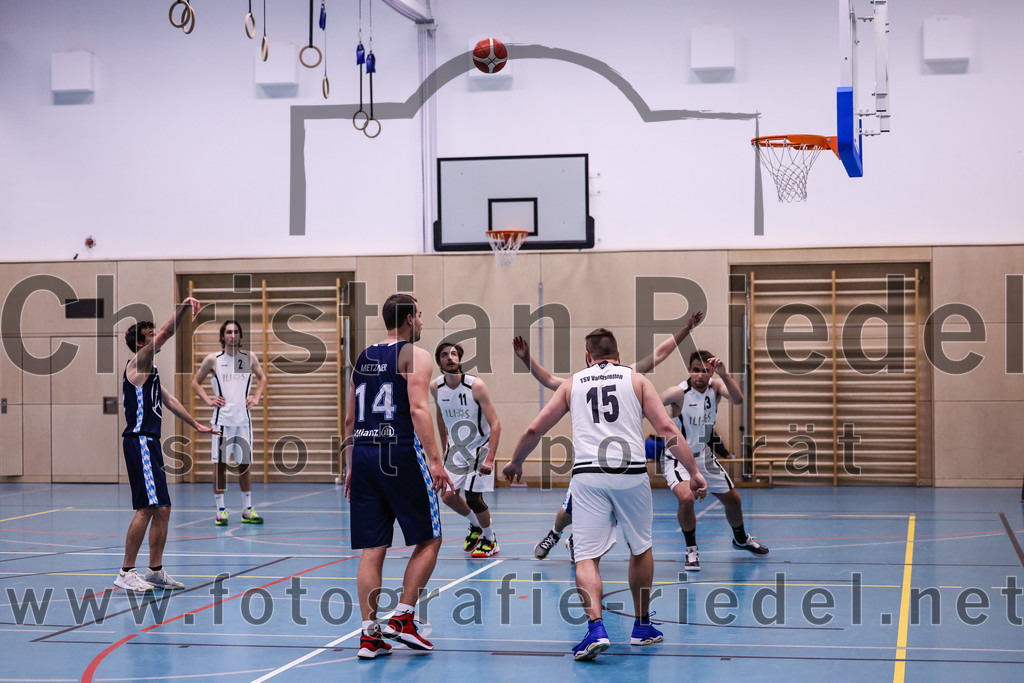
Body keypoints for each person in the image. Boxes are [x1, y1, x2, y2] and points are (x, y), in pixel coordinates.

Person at [504, 328, 706, 661]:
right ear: (617, 353)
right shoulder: (637, 380)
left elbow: (533, 429)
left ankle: (596, 627)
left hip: (588, 477)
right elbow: (668, 430)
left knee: (586, 558)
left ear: (588, 356)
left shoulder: (573, 383)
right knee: (640, 549)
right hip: (631, 475)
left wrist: (515, 462)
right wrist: (694, 473)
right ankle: (642, 627)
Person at [514, 311, 703, 561]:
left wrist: (686, 330)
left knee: (599, 521)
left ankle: (578, 544)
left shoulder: (609, 378)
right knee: (568, 511)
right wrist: (686, 330)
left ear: (587, 356)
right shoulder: (589, 381)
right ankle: (556, 533)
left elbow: (659, 354)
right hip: (595, 464)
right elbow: (549, 379)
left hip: (609, 467)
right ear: (618, 354)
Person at [343, 293, 453, 660]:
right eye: (419, 315)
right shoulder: (416, 355)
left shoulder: (362, 358)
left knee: (372, 549)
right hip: (400, 451)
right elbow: (419, 408)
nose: (422, 322)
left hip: (363, 451)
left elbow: (348, 419)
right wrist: (435, 461)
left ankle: (369, 635)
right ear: (408, 319)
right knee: (430, 538)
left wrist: (350, 464)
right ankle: (403, 617)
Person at [116, 298, 219, 592]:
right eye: (150, 337)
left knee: (163, 509)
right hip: (139, 441)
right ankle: (125, 572)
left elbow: (169, 400)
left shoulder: (152, 373)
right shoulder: (138, 364)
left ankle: (155, 570)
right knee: (147, 508)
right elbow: (168, 332)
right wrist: (185, 307)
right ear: (139, 344)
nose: (156, 339)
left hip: (151, 443)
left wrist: (196, 424)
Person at [660, 350, 769, 572]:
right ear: (690, 370)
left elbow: (738, 399)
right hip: (678, 458)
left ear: (711, 372)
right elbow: (648, 405)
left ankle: (740, 539)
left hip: (703, 455)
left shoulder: (716, 388)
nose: (700, 375)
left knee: (733, 500)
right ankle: (691, 549)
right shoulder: (678, 393)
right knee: (686, 498)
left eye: (705, 371)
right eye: (695, 370)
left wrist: (725, 375)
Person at [191, 320, 267, 526]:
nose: (232, 335)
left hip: (243, 422)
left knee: (244, 466)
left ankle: (247, 509)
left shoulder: (249, 358)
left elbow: (262, 378)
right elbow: (195, 382)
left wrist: (256, 397)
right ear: (223, 336)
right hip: (222, 422)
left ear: (240, 336)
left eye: (235, 332)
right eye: (228, 332)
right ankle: (220, 510)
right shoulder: (213, 360)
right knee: (220, 466)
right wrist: (208, 400)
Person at [431, 342, 502, 558]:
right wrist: (444, 446)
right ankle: (476, 525)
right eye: (444, 355)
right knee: (448, 496)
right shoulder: (436, 387)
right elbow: (441, 416)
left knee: (473, 498)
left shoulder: (476, 385)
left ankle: (490, 540)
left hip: (479, 448)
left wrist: (490, 459)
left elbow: (496, 423)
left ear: (460, 359)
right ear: (439, 361)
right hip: (455, 451)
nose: (450, 358)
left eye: (453, 354)